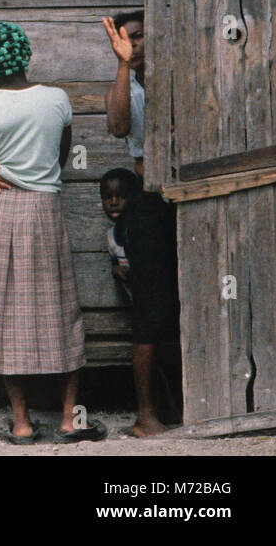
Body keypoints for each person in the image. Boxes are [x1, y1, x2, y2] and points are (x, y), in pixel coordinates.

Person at [0, 21, 103, 444]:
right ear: (25, 56)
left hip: (1, 207)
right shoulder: (56, 99)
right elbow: (60, 157)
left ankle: (22, 423)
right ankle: (69, 420)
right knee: (60, 307)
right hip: (44, 207)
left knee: (2, 309)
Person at [101, 168, 179, 437]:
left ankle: (163, 410)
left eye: (120, 197)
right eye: (108, 197)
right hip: (142, 300)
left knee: (160, 335)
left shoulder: (133, 225)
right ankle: (146, 417)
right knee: (148, 329)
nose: (113, 202)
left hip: (154, 297)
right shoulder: (124, 230)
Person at [103, 11, 145, 177]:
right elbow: (119, 129)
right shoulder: (119, 91)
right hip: (149, 181)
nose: (130, 44)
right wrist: (123, 62)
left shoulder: (177, 78)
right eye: (123, 39)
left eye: (137, 36)